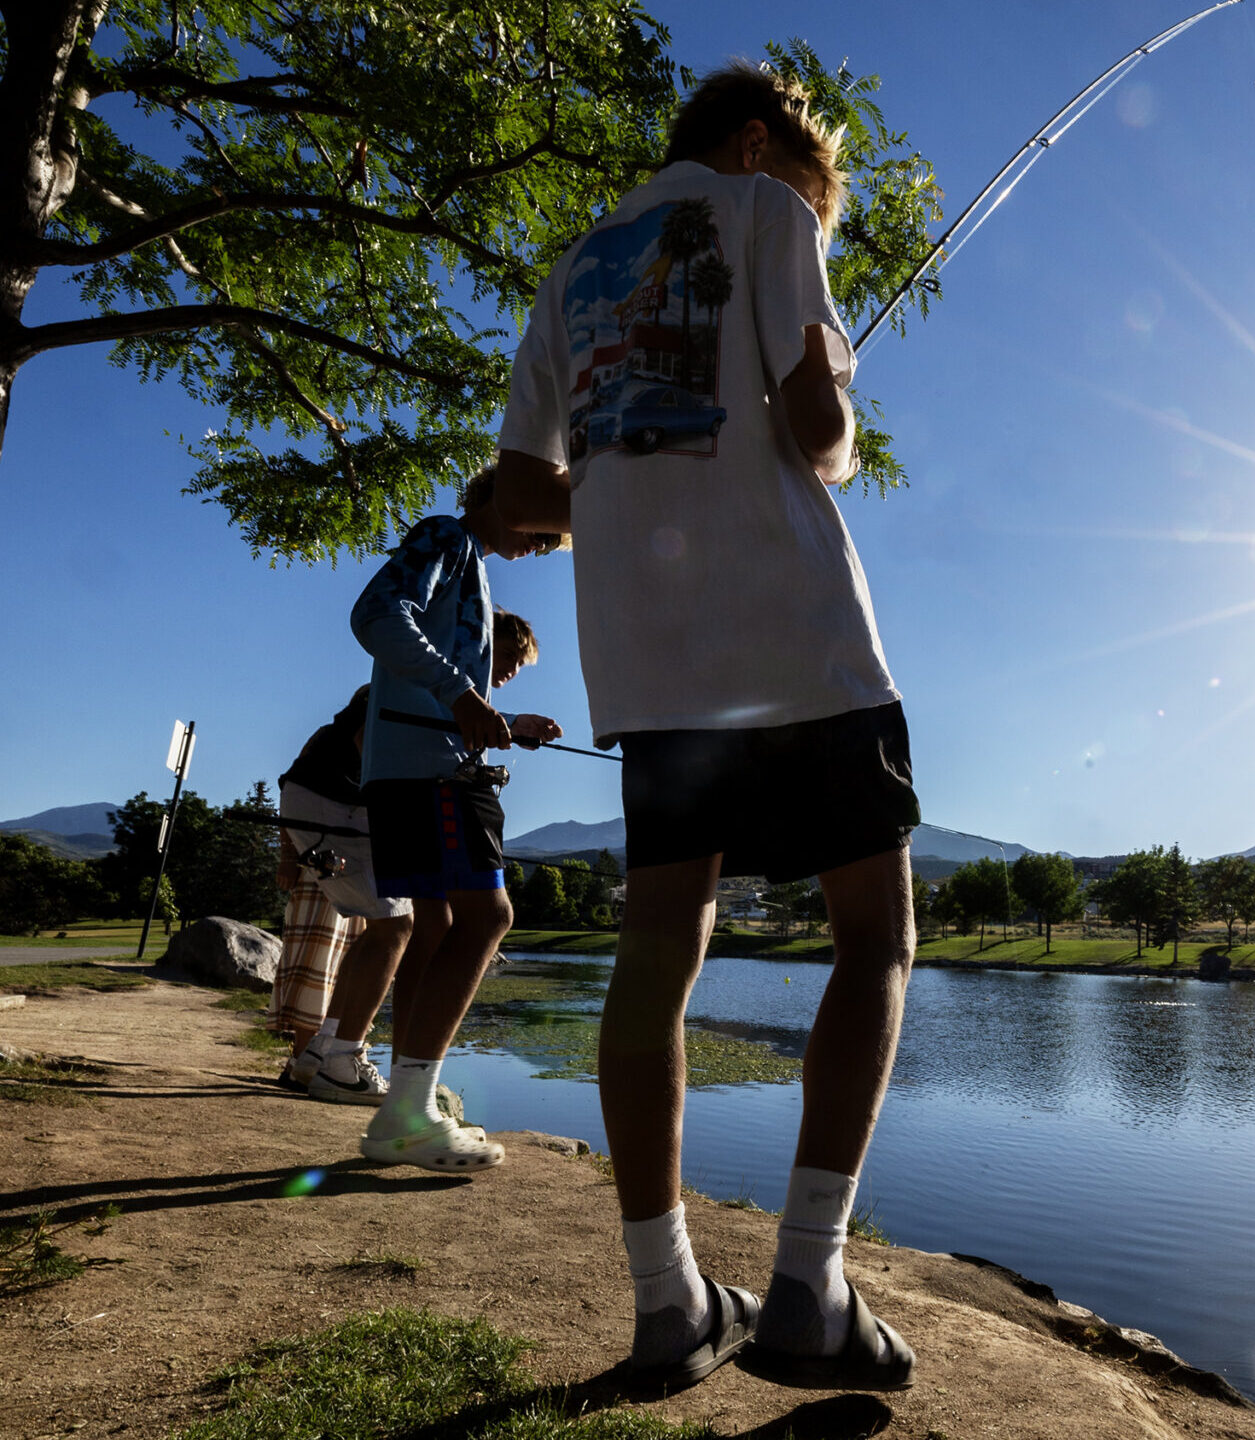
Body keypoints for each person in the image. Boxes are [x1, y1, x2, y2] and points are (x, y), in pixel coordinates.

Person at [492, 62, 921, 1392]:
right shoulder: (764, 211)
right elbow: (816, 431)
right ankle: (806, 1284)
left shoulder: (571, 272)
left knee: (654, 963)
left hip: (652, 669)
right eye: (808, 188)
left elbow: (518, 505)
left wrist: (615, 479)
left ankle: (670, 1304)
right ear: (753, 144)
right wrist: (834, 393)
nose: (809, 213)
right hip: (796, 640)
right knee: (875, 941)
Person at [349, 477, 562, 1169]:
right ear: (504, 493)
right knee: (488, 918)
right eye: (543, 531)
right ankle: (407, 1110)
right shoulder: (448, 537)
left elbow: (446, 684)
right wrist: (461, 694)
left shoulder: (469, 561)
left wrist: (503, 722)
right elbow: (377, 614)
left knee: (437, 926)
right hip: (431, 773)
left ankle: (413, 1100)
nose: (542, 547)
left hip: (414, 764)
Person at [274, 611, 541, 1103]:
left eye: (518, 666)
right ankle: (343, 1061)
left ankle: (323, 1049)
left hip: (316, 802)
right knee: (401, 927)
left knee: (384, 927)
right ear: (480, 644)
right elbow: (372, 746)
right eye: (506, 656)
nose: (508, 671)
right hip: (339, 806)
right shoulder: (412, 688)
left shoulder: (422, 691)